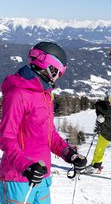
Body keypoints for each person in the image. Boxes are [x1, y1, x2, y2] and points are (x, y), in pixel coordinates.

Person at [0, 41, 87, 203]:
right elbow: (6, 138)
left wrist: (70, 155)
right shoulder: (18, 95)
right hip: (18, 180)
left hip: (42, 178)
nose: (58, 77)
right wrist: (25, 166)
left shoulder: (44, 95)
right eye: (58, 73)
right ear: (49, 67)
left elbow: (50, 136)